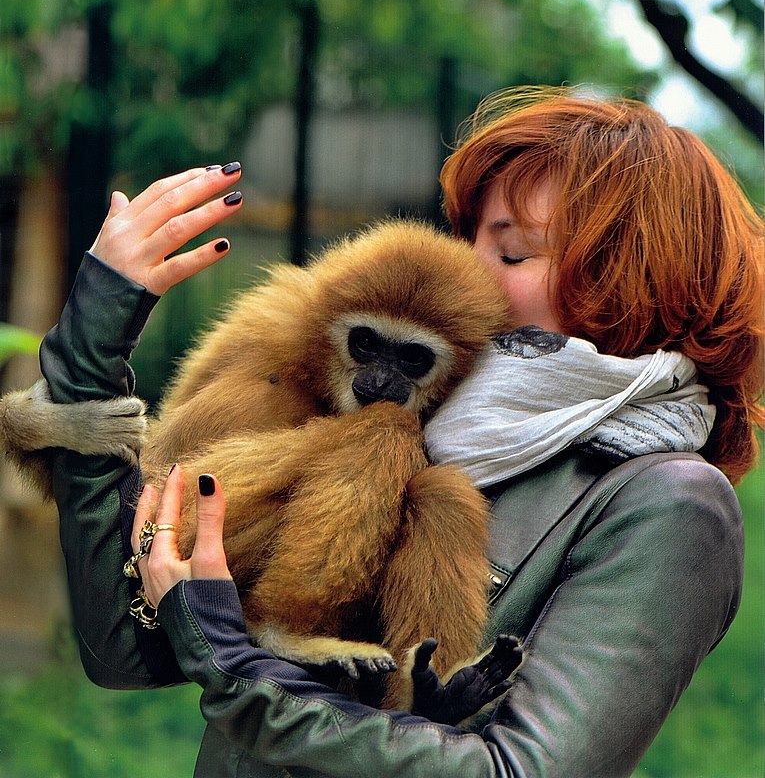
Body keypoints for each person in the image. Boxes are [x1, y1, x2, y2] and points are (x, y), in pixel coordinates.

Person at [37, 87, 762, 777]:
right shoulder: (421, 407)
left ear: (624, 280)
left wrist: (240, 666)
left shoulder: (666, 505)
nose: (472, 272)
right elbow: (123, 650)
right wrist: (93, 345)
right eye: (471, 239)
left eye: (512, 253)